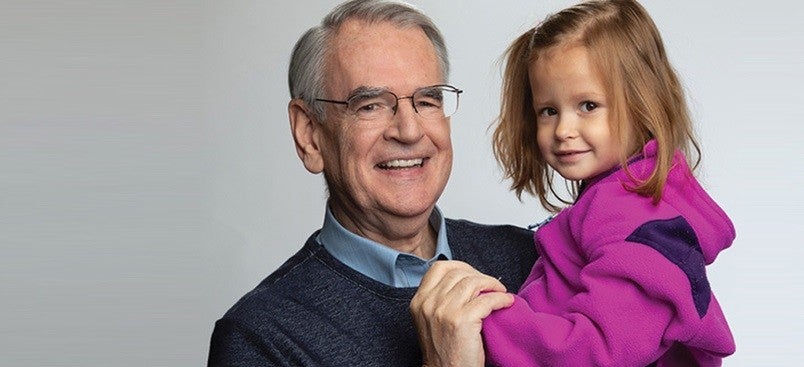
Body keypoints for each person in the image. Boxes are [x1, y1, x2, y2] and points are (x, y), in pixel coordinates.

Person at [206, 0, 538, 366]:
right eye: (370, 105)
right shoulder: (260, 339)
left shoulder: (533, 261)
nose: (409, 131)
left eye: (427, 101)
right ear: (310, 134)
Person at [412, 0, 736, 366]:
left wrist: (481, 314)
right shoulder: (613, 203)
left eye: (588, 106)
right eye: (549, 111)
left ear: (643, 103)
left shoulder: (640, 220)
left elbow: (596, 352)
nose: (563, 130)